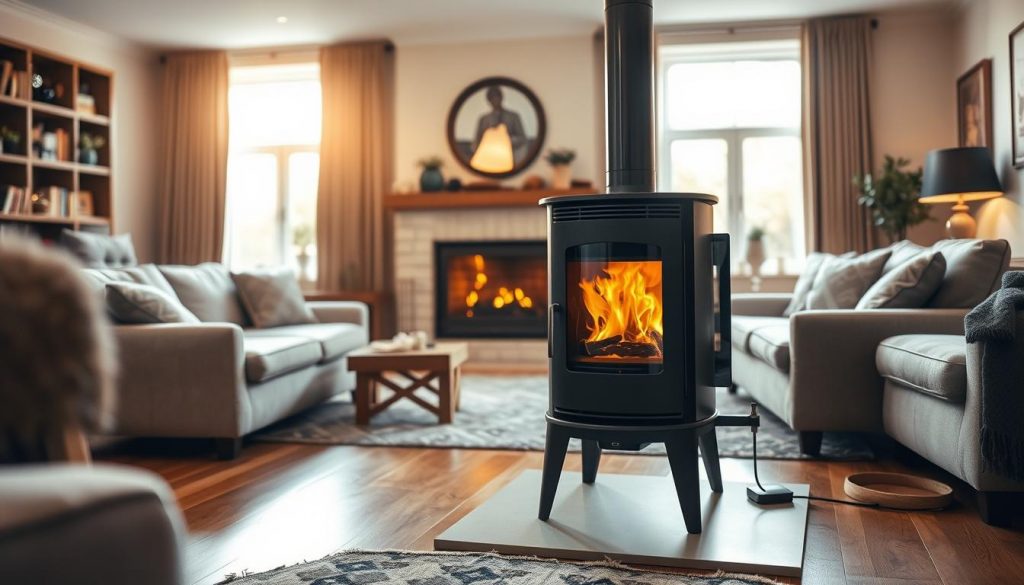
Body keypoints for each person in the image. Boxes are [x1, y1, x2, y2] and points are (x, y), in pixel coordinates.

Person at [471, 85, 527, 167]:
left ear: (501, 97)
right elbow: (476, 141)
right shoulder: (483, 119)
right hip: (487, 158)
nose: (495, 100)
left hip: (510, 155)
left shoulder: (513, 116)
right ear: (489, 100)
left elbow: (522, 138)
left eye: (497, 96)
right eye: (492, 98)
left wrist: (507, 140)